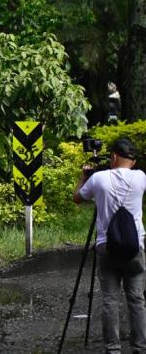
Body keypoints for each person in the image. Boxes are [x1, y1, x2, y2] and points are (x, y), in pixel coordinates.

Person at [73, 138, 146, 353]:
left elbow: (77, 198)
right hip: (134, 248)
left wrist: (83, 176)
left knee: (109, 300)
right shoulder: (141, 177)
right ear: (132, 161)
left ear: (113, 156)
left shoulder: (98, 179)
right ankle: (140, 348)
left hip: (107, 248)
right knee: (136, 300)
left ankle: (113, 349)